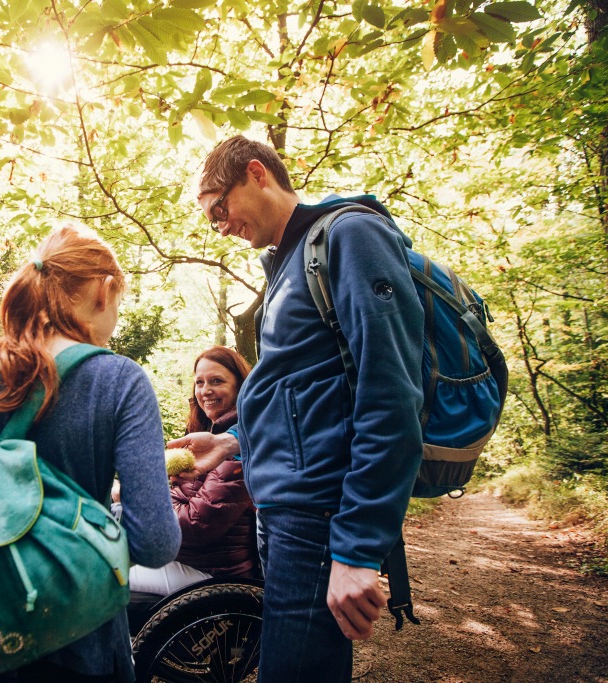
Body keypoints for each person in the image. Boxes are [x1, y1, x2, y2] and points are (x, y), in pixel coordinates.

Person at [168, 135, 425, 682]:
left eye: (219, 208)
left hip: (319, 516)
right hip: (285, 514)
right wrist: (234, 443)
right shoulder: (287, 265)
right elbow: (309, 401)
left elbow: (391, 393)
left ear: (256, 174)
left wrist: (356, 548)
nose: (219, 226)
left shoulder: (350, 234)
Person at [0, 224, 182, 683]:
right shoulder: (120, 382)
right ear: (104, 293)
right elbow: (156, 542)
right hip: (81, 645)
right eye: (119, 304)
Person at [128, 345, 257, 595]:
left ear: (240, 386)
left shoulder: (239, 447)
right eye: (199, 382)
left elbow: (195, 526)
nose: (205, 390)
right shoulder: (206, 435)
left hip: (212, 574)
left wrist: (137, 497)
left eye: (216, 381)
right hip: (187, 560)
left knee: (104, 575)